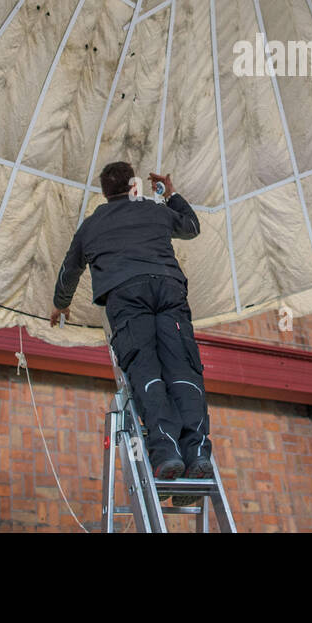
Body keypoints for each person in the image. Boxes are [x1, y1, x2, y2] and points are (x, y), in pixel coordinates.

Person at [49, 160, 213, 495]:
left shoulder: (91, 227)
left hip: (126, 296)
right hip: (168, 288)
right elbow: (192, 227)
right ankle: (197, 452)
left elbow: (70, 270)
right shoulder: (154, 210)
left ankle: (166, 453)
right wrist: (171, 194)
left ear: (105, 192)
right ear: (133, 185)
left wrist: (61, 302)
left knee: (145, 370)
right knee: (182, 367)